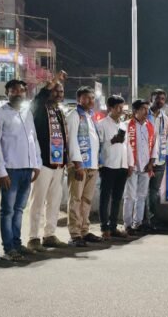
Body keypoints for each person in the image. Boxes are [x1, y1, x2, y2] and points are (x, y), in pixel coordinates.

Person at [0, 79, 42, 261]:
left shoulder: (27, 112)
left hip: (27, 169)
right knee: (8, 210)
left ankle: (17, 242)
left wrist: (36, 163)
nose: (19, 93)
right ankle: (9, 248)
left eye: (22, 90)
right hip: (11, 170)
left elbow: (33, 139)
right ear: (7, 92)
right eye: (14, 90)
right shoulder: (0, 114)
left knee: (19, 209)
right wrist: (2, 171)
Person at [28, 70, 70, 251]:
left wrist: (66, 160)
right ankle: (33, 237)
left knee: (54, 201)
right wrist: (54, 80)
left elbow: (63, 136)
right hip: (43, 162)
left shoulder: (59, 112)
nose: (58, 94)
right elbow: (41, 95)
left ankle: (50, 234)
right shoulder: (39, 107)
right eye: (55, 91)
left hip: (59, 164)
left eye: (61, 92)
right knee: (38, 201)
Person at [65, 86, 103, 247]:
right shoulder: (74, 116)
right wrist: (78, 165)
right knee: (75, 199)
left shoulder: (90, 117)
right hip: (79, 165)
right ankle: (75, 234)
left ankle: (84, 230)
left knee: (86, 200)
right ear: (79, 99)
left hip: (92, 165)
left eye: (92, 98)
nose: (90, 101)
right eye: (87, 98)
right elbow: (72, 140)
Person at [98, 95, 131, 239]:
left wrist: (129, 164)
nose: (121, 110)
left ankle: (113, 227)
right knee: (105, 198)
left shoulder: (123, 125)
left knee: (117, 198)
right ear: (110, 108)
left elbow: (127, 146)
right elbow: (98, 146)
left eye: (122, 107)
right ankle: (104, 228)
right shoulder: (102, 124)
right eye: (118, 108)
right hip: (108, 165)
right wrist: (112, 141)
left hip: (122, 166)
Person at [123, 99, 157, 235]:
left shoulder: (150, 126)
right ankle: (127, 224)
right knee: (129, 196)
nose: (146, 111)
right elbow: (124, 148)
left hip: (145, 167)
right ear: (135, 111)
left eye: (147, 108)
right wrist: (128, 164)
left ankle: (138, 223)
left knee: (142, 196)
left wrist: (151, 163)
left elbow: (154, 146)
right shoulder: (126, 126)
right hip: (131, 167)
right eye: (143, 108)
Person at [144, 89, 168, 231]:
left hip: (160, 160)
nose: (160, 101)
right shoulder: (144, 116)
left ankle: (151, 220)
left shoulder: (165, 119)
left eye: (162, 99)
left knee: (154, 192)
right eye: (157, 98)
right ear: (151, 98)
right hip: (145, 160)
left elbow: (164, 137)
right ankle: (142, 220)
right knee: (142, 191)